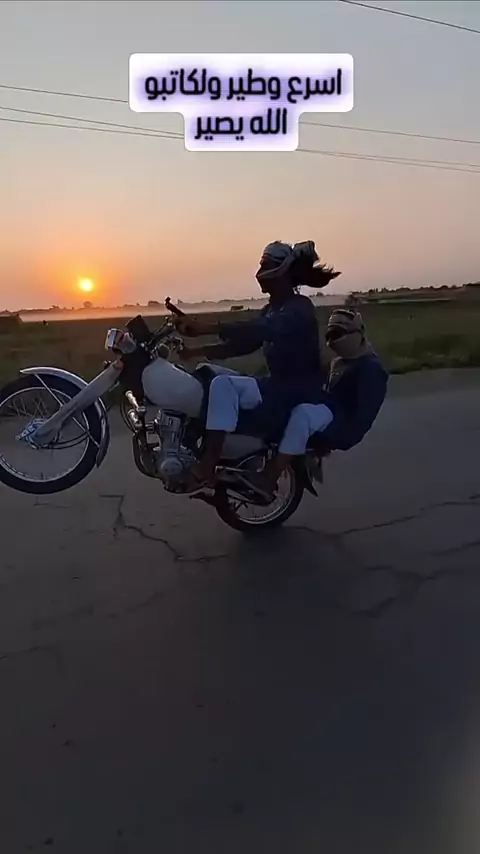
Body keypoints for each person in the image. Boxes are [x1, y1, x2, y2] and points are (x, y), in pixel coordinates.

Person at [175, 240, 341, 493]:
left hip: (298, 392)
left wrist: (206, 328)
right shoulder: (271, 309)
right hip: (276, 386)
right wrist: (194, 352)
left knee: (222, 385)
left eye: (265, 266)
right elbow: (243, 345)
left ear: (281, 272)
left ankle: (207, 465)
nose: (259, 272)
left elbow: (263, 329)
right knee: (209, 377)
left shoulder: (299, 308)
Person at [259, 308, 389, 491]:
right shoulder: (339, 362)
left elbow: (362, 416)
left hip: (344, 425)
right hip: (329, 413)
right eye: (330, 335)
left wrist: (328, 438)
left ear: (356, 333)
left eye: (337, 334)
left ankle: (271, 477)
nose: (332, 341)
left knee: (303, 415)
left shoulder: (370, 370)